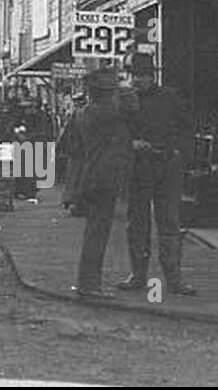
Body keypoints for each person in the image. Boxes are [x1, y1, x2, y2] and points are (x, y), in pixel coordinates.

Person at [118, 56, 196, 296]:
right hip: (139, 168)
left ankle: (173, 279)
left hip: (167, 166)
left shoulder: (170, 98)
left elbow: (187, 127)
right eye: (133, 75)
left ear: (152, 76)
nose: (137, 80)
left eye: (141, 75)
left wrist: (177, 153)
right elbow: (116, 133)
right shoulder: (125, 102)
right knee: (137, 223)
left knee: (170, 222)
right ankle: (138, 275)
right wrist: (131, 143)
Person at [74, 67, 132, 300]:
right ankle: (89, 284)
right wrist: (126, 87)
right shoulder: (104, 112)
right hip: (103, 177)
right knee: (98, 233)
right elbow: (130, 106)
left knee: (95, 232)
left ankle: (88, 282)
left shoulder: (87, 111)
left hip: (93, 176)